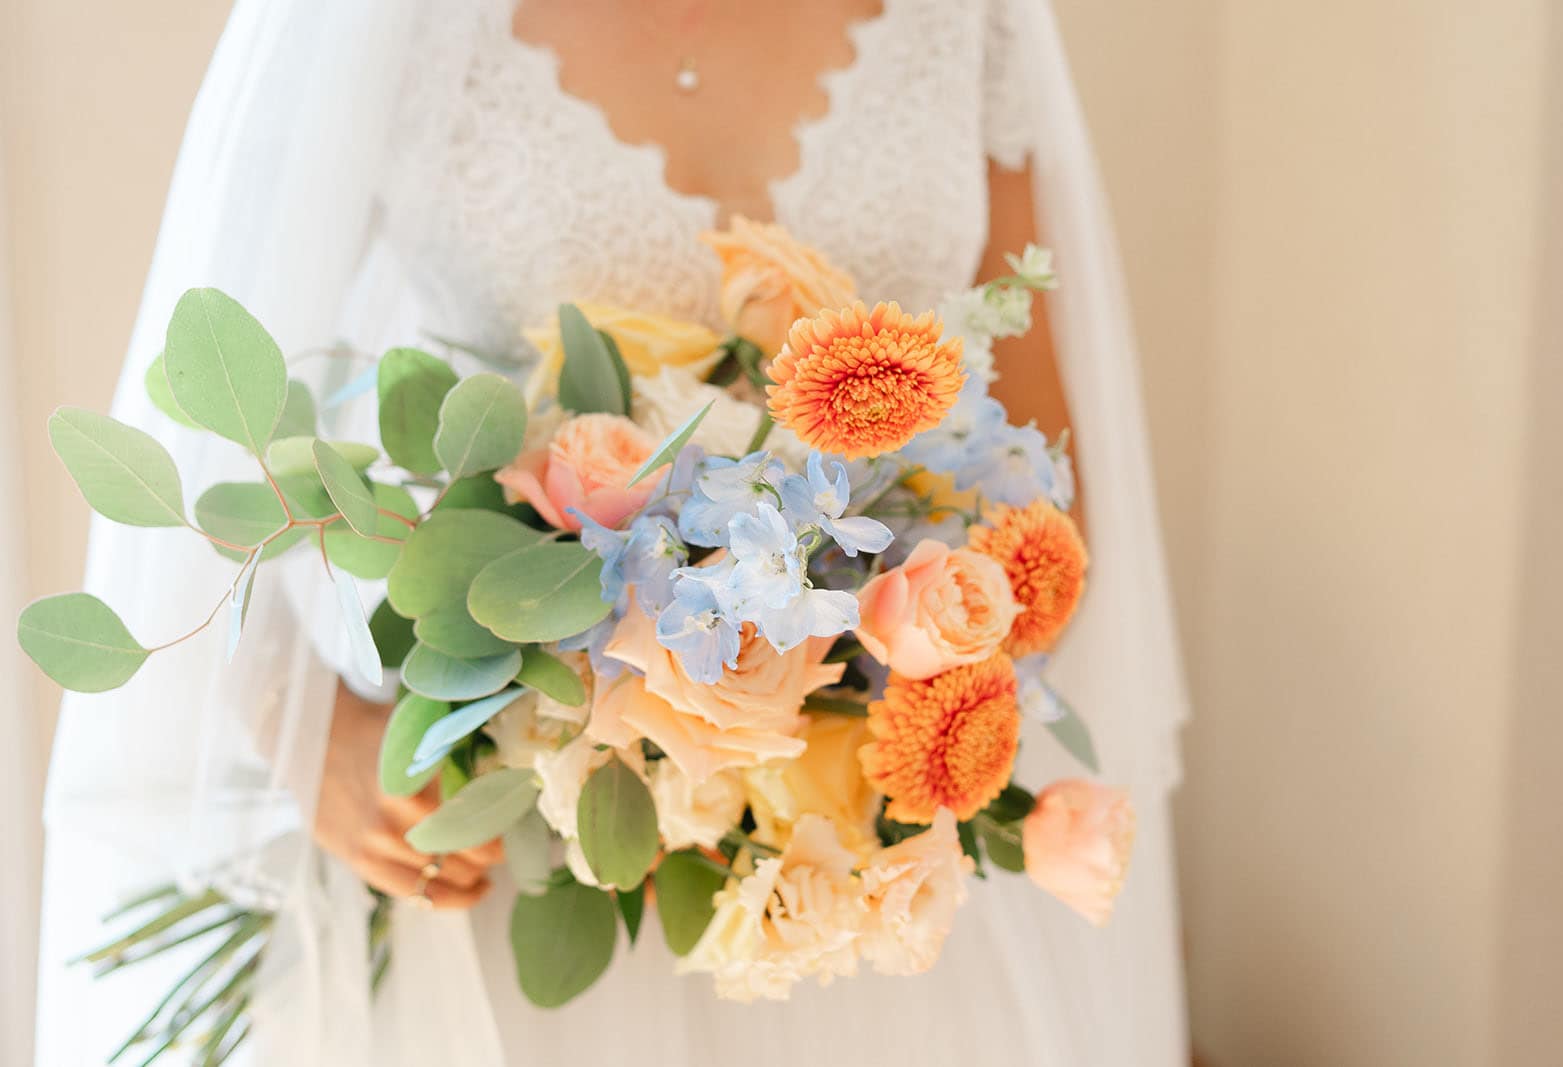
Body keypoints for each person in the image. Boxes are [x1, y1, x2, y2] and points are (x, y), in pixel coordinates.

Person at [35, 2, 1190, 1064]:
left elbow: (1042, 465)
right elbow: (194, 452)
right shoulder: (388, 24)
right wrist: (311, 728)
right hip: (506, 838)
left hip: (858, 856)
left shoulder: (966, 19)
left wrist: (888, 674)